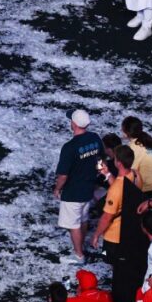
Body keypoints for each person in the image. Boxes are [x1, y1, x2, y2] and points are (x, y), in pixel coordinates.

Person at [89, 144, 139, 302]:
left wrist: (96, 235)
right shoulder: (134, 175)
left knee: (117, 267)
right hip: (128, 230)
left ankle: (119, 300)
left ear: (118, 162)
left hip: (114, 235)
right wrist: (108, 175)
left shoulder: (116, 189)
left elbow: (106, 217)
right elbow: (120, 189)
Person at [54, 109, 102, 265]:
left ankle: (79, 255)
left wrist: (57, 188)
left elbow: (63, 176)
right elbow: (100, 160)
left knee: (73, 224)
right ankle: (81, 246)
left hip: (73, 192)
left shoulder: (69, 147)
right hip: (88, 188)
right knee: (83, 219)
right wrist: (99, 173)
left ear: (73, 124)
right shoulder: (95, 138)